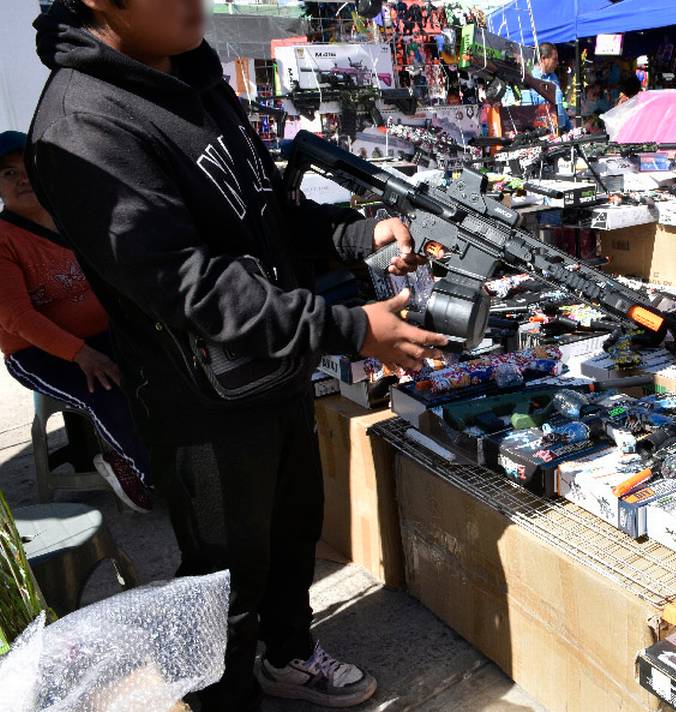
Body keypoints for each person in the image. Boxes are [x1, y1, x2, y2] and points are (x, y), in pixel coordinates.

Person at [28, 2, 448, 710]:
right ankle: (222, 697)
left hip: (273, 367)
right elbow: (188, 287)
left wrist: (357, 235)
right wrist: (347, 329)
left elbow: (266, 211)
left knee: (292, 533)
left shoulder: (196, 80)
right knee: (223, 576)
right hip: (199, 403)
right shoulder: (83, 123)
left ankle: (289, 655)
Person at [0, 131, 151, 513]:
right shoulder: (4, 239)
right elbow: (16, 318)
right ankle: (148, 477)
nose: (22, 179)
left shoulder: (71, 215)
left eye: (26, 167)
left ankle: (162, 457)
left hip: (103, 332)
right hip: (37, 351)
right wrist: (81, 353)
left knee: (160, 371)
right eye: (7, 173)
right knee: (107, 391)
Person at [526, 42, 570, 131]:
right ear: (543, 59)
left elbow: (559, 105)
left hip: (561, 131)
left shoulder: (553, 77)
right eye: (554, 59)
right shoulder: (530, 79)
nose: (557, 63)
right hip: (545, 132)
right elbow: (528, 112)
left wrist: (569, 127)